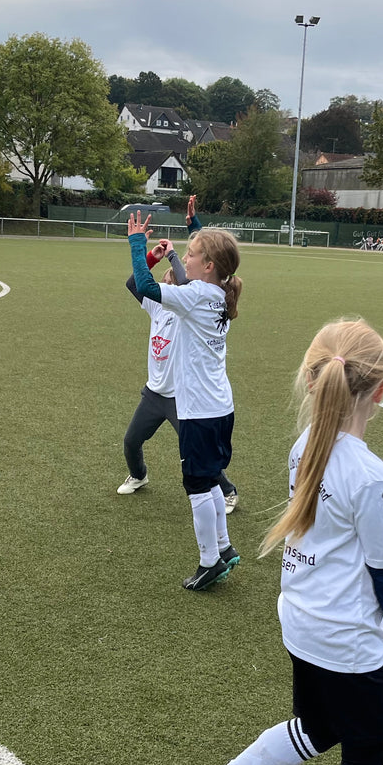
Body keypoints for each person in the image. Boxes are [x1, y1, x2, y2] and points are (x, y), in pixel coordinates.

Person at [176, 319, 383, 765]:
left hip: (303, 618)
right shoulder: (374, 478)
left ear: (314, 380)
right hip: (345, 634)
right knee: (365, 753)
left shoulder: (306, 442)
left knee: (318, 726)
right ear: (382, 389)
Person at [127, 206, 242, 590]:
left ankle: (209, 562)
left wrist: (137, 243)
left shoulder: (195, 294)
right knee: (208, 480)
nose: (184, 260)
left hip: (200, 410)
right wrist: (172, 252)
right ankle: (223, 547)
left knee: (196, 486)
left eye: (190, 255)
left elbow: (145, 287)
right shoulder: (217, 293)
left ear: (208, 265)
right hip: (220, 406)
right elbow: (172, 279)